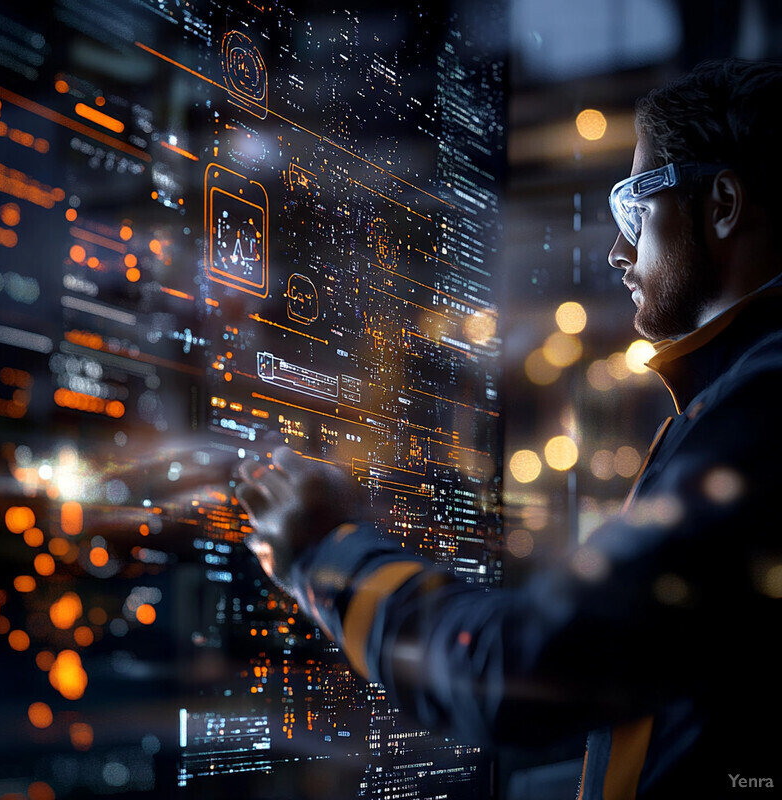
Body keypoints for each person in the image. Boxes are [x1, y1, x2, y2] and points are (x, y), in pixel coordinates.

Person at [235, 58, 782, 799]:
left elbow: (528, 668)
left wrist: (327, 554)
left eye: (636, 210)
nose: (621, 252)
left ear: (722, 203)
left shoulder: (760, 411)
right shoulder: (737, 400)